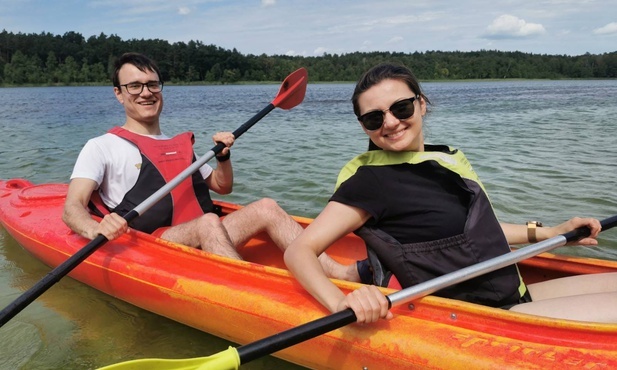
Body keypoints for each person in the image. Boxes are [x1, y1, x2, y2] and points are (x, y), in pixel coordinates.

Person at [284, 62, 617, 324]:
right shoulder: (370, 181)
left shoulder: (440, 159)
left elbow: (476, 233)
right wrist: (341, 302)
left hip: (513, 296)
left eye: (401, 108)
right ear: (364, 127)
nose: (390, 122)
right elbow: (300, 251)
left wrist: (550, 232)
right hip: (478, 317)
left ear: (422, 104)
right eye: (374, 118)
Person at [62, 52, 355, 280]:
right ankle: (249, 291)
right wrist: (96, 226)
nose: (146, 93)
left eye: (152, 84)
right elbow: (73, 207)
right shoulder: (101, 146)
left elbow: (222, 187)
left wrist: (223, 157)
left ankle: (339, 272)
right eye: (134, 86)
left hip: (205, 236)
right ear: (118, 93)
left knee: (265, 206)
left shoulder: (179, 144)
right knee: (208, 222)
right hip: (155, 244)